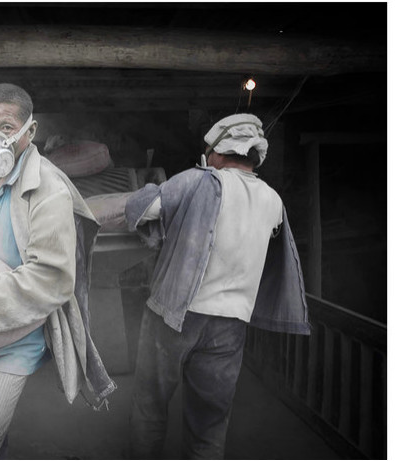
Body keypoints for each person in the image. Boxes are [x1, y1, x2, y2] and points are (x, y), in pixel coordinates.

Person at [0, 83, 116, 459]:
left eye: (5, 127)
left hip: (18, 333)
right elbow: (2, 237)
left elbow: (52, 279)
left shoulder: (49, 189)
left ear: (30, 131)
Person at [125, 113, 311, 459]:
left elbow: (143, 209)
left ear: (219, 151)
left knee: (150, 405)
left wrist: (152, 187)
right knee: (210, 422)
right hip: (230, 325)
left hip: (174, 316)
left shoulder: (199, 180)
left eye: (208, 151)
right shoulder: (273, 200)